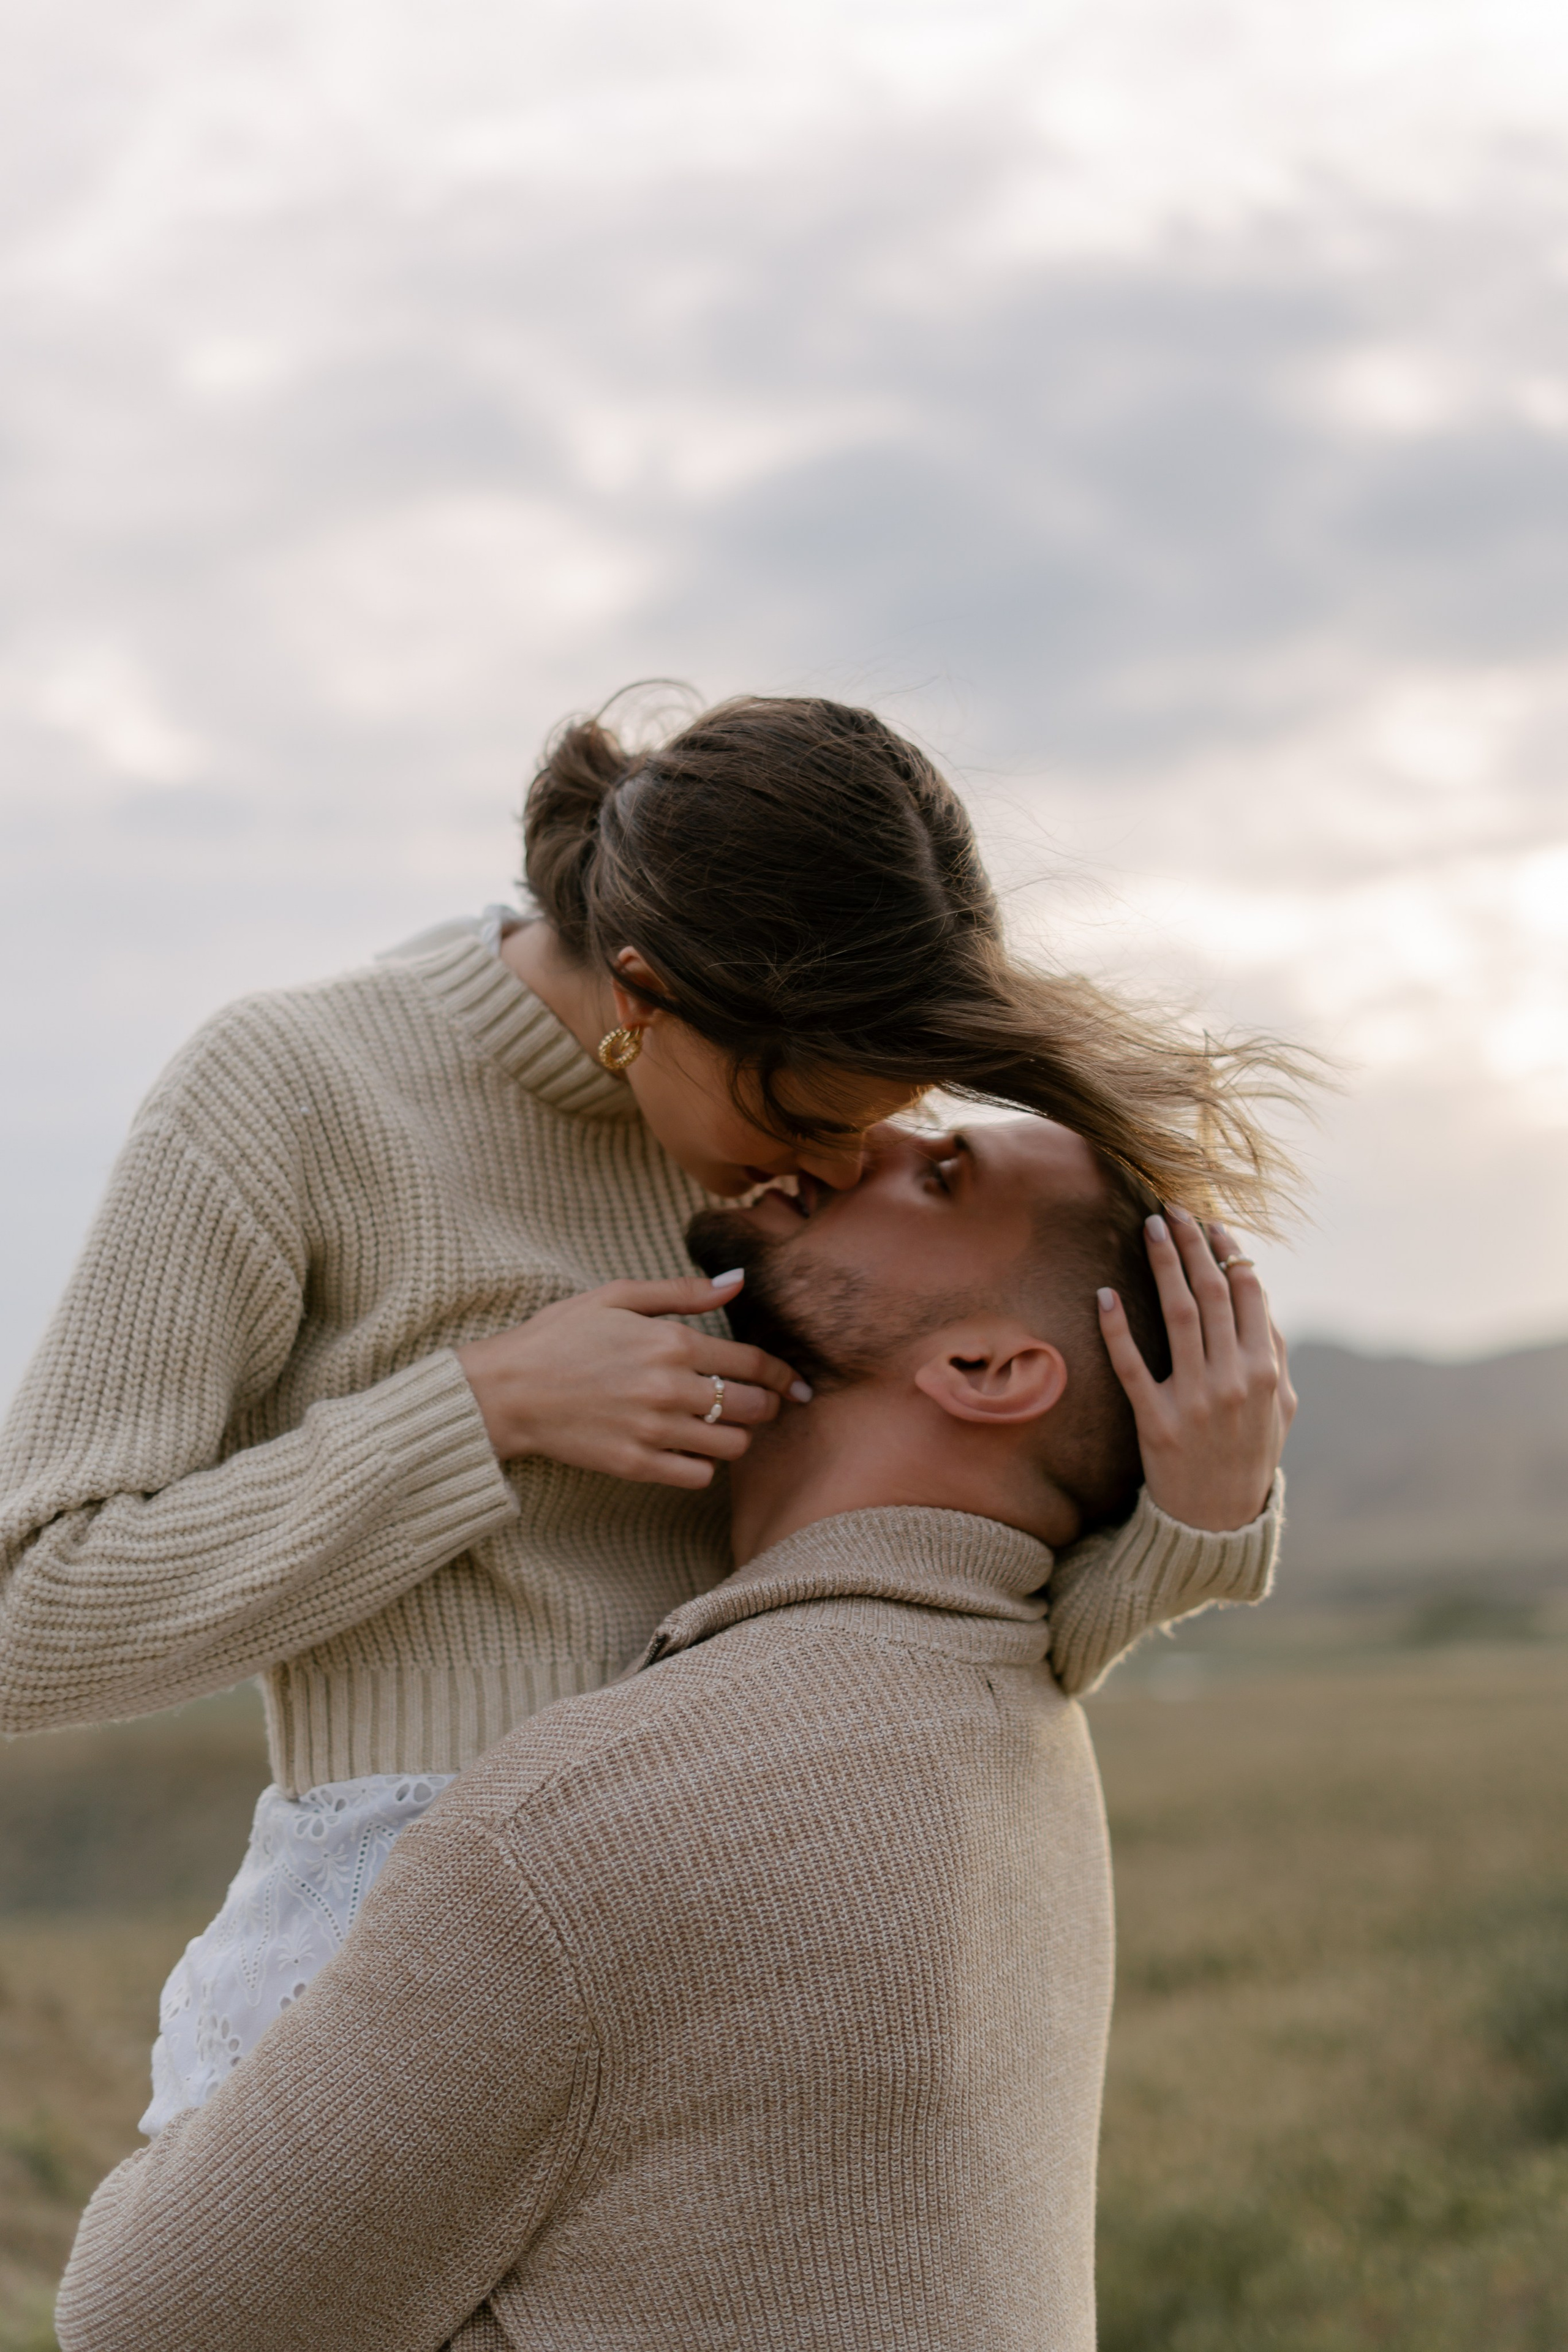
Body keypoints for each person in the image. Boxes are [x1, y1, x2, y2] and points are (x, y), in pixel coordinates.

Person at [0, 692, 1300, 2133]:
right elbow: (25, 1618)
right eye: (807, 1119)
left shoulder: (804, 1211)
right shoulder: (291, 1093)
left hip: (724, 1954)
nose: (844, 1167)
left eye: (887, 1117)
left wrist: (1194, 1516)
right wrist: (480, 1410)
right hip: (402, 1962)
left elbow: (929, 1630)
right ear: (641, 996)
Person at [55, 1116, 1291, 2352]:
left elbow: (142, 2322)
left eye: (941, 1176)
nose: (865, 1141)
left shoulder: (578, 1830)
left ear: (984, 1371)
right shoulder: (1023, 1729)